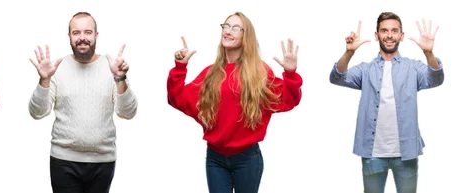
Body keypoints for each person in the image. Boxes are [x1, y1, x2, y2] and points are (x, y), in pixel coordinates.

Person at [167, 11, 303, 193]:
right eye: (226, 26)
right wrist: (180, 67)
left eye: (236, 28)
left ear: (246, 36)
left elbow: (288, 100)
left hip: (247, 159)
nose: (228, 31)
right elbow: (177, 98)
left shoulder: (259, 72)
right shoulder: (210, 73)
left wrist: (291, 74)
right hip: (215, 159)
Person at [329, 12, 444, 193]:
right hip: (372, 154)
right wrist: (349, 53)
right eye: (384, 31)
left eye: (394, 31)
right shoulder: (365, 69)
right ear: (377, 35)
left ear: (401, 35)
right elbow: (337, 78)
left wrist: (429, 53)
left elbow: (436, 79)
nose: (389, 35)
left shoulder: (413, 68)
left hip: (406, 153)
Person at [27, 12, 138, 193]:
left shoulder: (112, 67)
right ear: (69, 36)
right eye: (76, 33)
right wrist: (44, 80)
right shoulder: (57, 68)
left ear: (96, 35)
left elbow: (128, 112)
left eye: (87, 32)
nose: (82, 38)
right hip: (63, 161)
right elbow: (36, 112)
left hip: (103, 161)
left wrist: (120, 78)